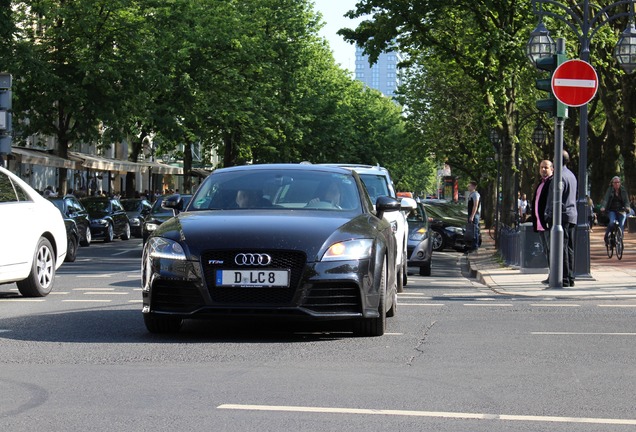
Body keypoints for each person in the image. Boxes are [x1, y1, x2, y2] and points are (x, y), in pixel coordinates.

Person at [545, 150, 578, 287]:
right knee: (569, 248)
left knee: (561, 248)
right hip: (571, 215)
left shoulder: (558, 177)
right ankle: (569, 277)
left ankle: (563, 277)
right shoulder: (571, 175)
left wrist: (549, 215)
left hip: (561, 217)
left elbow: (555, 199)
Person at [529, 160, 553, 283]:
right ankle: (551, 274)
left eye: (546, 167)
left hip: (547, 223)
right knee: (546, 250)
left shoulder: (551, 182)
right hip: (540, 223)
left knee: (551, 250)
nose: (543, 170)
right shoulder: (540, 183)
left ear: (552, 169)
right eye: (541, 167)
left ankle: (554, 275)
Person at [600, 176, 630, 243]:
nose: (617, 184)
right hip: (612, 210)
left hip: (621, 210)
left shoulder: (623, 190)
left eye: (618, 182)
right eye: (615, 182)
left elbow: (626, 201)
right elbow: (606, 199)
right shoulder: (610, 190)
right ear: (612, 183)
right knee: (611, 223)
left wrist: (627, 207)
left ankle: (620, 239)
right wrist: (603, 207)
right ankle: (607, 235)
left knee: (621, 224)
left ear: (620, 183)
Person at [466, 181, 480, 251]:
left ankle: (475, 246)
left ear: (474, 187)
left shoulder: (475, 194)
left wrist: (472, 216)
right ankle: (472, 245)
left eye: (470, 186)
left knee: (474, 230)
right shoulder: (471, 194)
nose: (468, 187)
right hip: (471, 214)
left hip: (474, 215)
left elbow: (475, 205)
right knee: (471, 231)